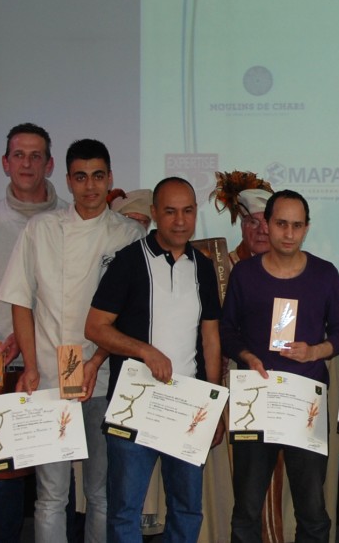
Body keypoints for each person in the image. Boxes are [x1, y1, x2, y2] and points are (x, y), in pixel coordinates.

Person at [0, 138, 143, 543]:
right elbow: (21, 301)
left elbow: (129, 317)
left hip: (104, 373)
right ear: (68, 180)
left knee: (100, 493)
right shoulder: (40, 229)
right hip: (48, 375)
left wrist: (96, 361)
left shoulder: (128, 235)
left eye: (98, 176)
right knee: (51, 496)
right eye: (81, 177)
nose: (90, 186)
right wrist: (29, 365)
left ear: (110, 178)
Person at [85, 176, 224, 543]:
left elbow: (211, 338)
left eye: (188, 211)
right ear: (154, 214)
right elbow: (96, 327)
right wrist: (144, 350)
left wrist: (215, 405)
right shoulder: (129, 262)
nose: (180, 221)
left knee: (187, 508)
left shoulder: (204, 267)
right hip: (135, 404)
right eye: (170, 211)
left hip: (187, 407)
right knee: (125, 511)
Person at [0, 122, 67, 542]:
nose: (27, 163)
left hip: (57, 362)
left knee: (58, 478)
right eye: (18, 155)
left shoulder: (69, 219)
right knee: (2, 479)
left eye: (36, 155)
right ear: (5, 163)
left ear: (50, 164)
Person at [220, 189, 339, 542]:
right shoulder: (245, 275)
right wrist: (246, 356)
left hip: (304, 401)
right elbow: (227, 330)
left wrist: (316, 351)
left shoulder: (324, 274)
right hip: (256, 401)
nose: (288, 234)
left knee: (311, 510)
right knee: (246, 509)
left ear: (306, 228)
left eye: (296, 225)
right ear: (268, 224)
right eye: (281, 224)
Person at [210, 170, 274, 264]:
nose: (262, 230)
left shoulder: (293, 265)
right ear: (242, 227)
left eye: (267, 222)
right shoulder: (223, 268)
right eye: (253, 222)